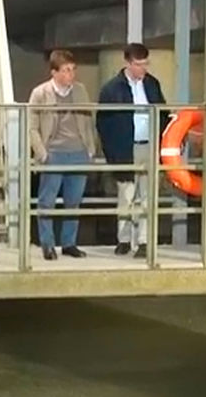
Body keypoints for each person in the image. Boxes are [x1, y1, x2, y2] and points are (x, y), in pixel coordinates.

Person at [96, 42, 167, 258]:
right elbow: (103, 123)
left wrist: (163, 142)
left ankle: (144, 241)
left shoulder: (152, 84)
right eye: (138, 64)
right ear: (127, 62)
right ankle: (124, 239)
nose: (142, 69)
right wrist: (112, 153)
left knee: (147, 196)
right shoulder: (111, 89)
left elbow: (163, 113)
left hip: (148, 146)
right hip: (125, 148)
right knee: (126, 195)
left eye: (145, 64)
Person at [28, 49, 96, 260]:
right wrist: (42, 153)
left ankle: (69, 243)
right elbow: (32, 126)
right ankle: (47, 244)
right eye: (66, 70)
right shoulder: (40, 93)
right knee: (47, 201)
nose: (71, 75)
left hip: (78, 152)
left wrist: (90, 148)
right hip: (54, 152)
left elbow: (87, 120)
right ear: (54, 72)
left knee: (73, 201)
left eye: (73, 70)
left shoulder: (80, 90)